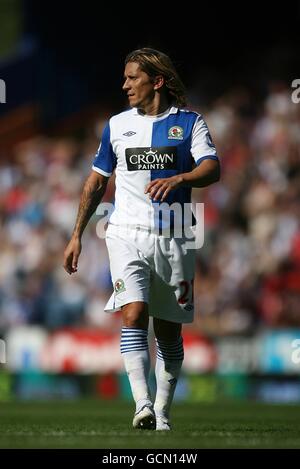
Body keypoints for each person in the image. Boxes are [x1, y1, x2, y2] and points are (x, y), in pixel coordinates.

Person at [63, 48, 220, 430]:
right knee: (133, 311)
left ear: (157, 81)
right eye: (125, 77)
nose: (125, 84)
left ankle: (163, 413)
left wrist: (181, 179)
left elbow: (212, 168)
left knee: (168, 330)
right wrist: (76, 234)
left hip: (176, 235)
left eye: (133, 77)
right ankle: (142, 405)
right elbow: (97, 181)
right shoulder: (116, 125)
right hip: (124, 232)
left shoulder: (190, 123)